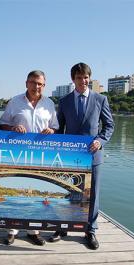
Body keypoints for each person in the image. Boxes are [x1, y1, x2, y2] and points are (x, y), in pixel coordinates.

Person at [49, 62, 114, 250]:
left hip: (93, 156)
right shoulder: (64, 101)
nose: (83, 81)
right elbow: (59, 129)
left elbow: (109, 126)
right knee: (67, 191)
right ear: (73, 80)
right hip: (69, 157)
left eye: (86, 77)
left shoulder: (101, 99)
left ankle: (90, 230)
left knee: (92, 195)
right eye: (79, 77)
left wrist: (100, 141)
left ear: (89, 78)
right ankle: (62, 227)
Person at [0, 70, 59, 246]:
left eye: (40, 84)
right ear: (26, 83)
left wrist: (51, 131)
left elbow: (55, 127)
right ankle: (11, 230)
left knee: (35, 194)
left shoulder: (49, 104)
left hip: (41, 157)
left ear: (44, 85)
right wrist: (13, 128)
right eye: (33, 82)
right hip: (17, 155)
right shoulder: (14, 102)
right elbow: (2, 125)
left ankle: (33, 231)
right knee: (16, 190)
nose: (36, 86)